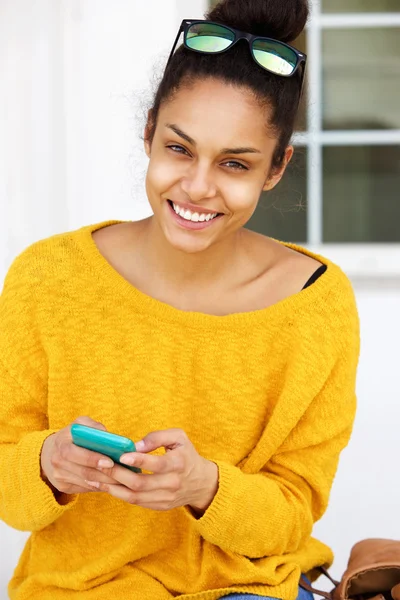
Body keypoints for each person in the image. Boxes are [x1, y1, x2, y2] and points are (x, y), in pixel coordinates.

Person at [0, 0, 360, 599]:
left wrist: (204, 486)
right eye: (178, 149)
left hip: (245, 589)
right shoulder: (48, 278)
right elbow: (9, 488)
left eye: (235, 163)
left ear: (275, 168)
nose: (197, 186)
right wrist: (48, 465)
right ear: (149, 132)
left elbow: (293, 513)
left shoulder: (317, 304)